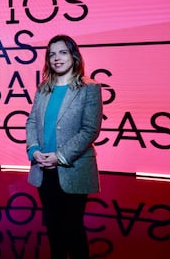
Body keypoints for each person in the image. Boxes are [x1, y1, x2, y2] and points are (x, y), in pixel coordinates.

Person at [25, 34, 103, 259]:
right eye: (51, 54)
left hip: (72, 170)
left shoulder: (89, 88)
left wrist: (59, 156)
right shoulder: (43, 89)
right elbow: (31, 122)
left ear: (73, 55)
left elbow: (90, 130)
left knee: (72, 229)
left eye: (62, 52)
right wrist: (33, 150)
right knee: (53, 229)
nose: (56, 58)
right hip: (42, 169)